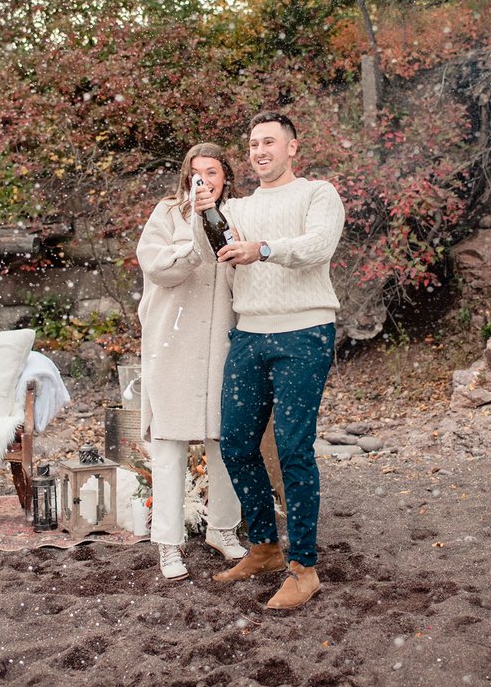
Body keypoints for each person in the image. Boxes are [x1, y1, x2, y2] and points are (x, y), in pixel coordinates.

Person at [192, 110, 345, 610]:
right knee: (235, 443)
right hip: (251, 335)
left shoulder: (318, 195)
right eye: (253, 144)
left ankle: (304, 568)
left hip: (305, 332)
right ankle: (264, 547)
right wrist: (202, 213)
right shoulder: (233, 207)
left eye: (269, 143)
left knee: (294, 449)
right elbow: (210, 251)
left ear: (292, 148)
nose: (260, 151)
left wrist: (265, 249)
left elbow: (317, 247)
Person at [136, 142, 249, 581]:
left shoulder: (239, 215)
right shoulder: (167, 213)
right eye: (197, 172)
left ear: (225, 177)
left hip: (224, 344)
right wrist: (196, 242)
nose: (205, 179)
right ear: (188, 177)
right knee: (169, 446)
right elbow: (157, 267)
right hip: (173, 344)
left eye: (214, 172)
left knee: (225, 442)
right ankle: (168, 545)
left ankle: (223, 529)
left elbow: (249, 274)